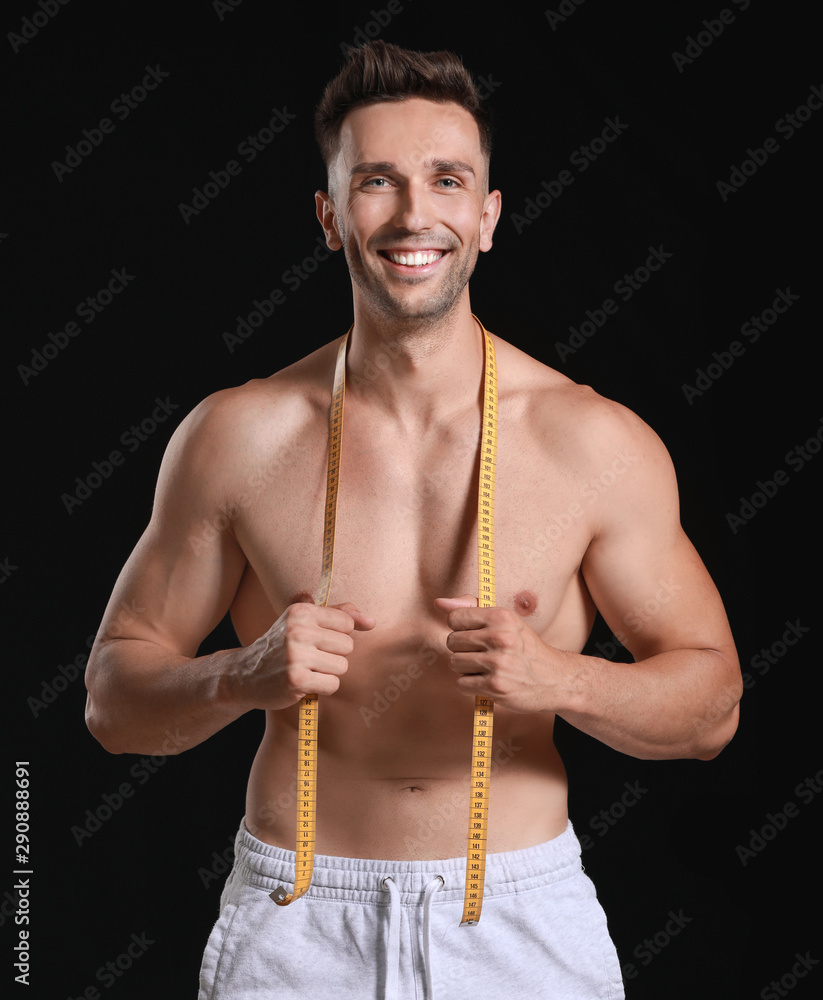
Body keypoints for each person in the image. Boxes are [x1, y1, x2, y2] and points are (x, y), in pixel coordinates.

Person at [85, 40, 742, 1000]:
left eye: (446, 181)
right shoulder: (235, 436)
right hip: (295, 920)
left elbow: (712, 708)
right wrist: (242, 674)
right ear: (328, 215)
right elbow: (112, 702)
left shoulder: (594, 442)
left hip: (519, 921)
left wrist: (557, 677)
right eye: (375, 182)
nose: (411, 214)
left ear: (486, 218)